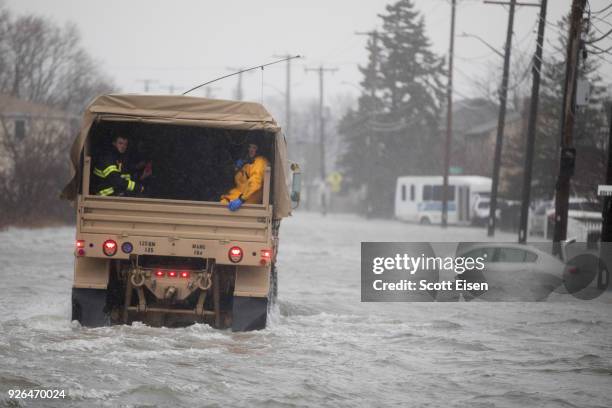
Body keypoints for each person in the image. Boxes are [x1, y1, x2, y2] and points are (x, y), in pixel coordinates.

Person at [220, 139, 269, 211]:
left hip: (251, 196)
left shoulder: (260, 162)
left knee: (225, 205)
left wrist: (241, 199)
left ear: (259, 150)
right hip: (244, 193)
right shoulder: (249, 162)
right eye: (250, 147)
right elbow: (240, 183)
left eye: (254, 147)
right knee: (223, 200)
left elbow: (255, 183)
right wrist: (236, 169)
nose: (251, 150)